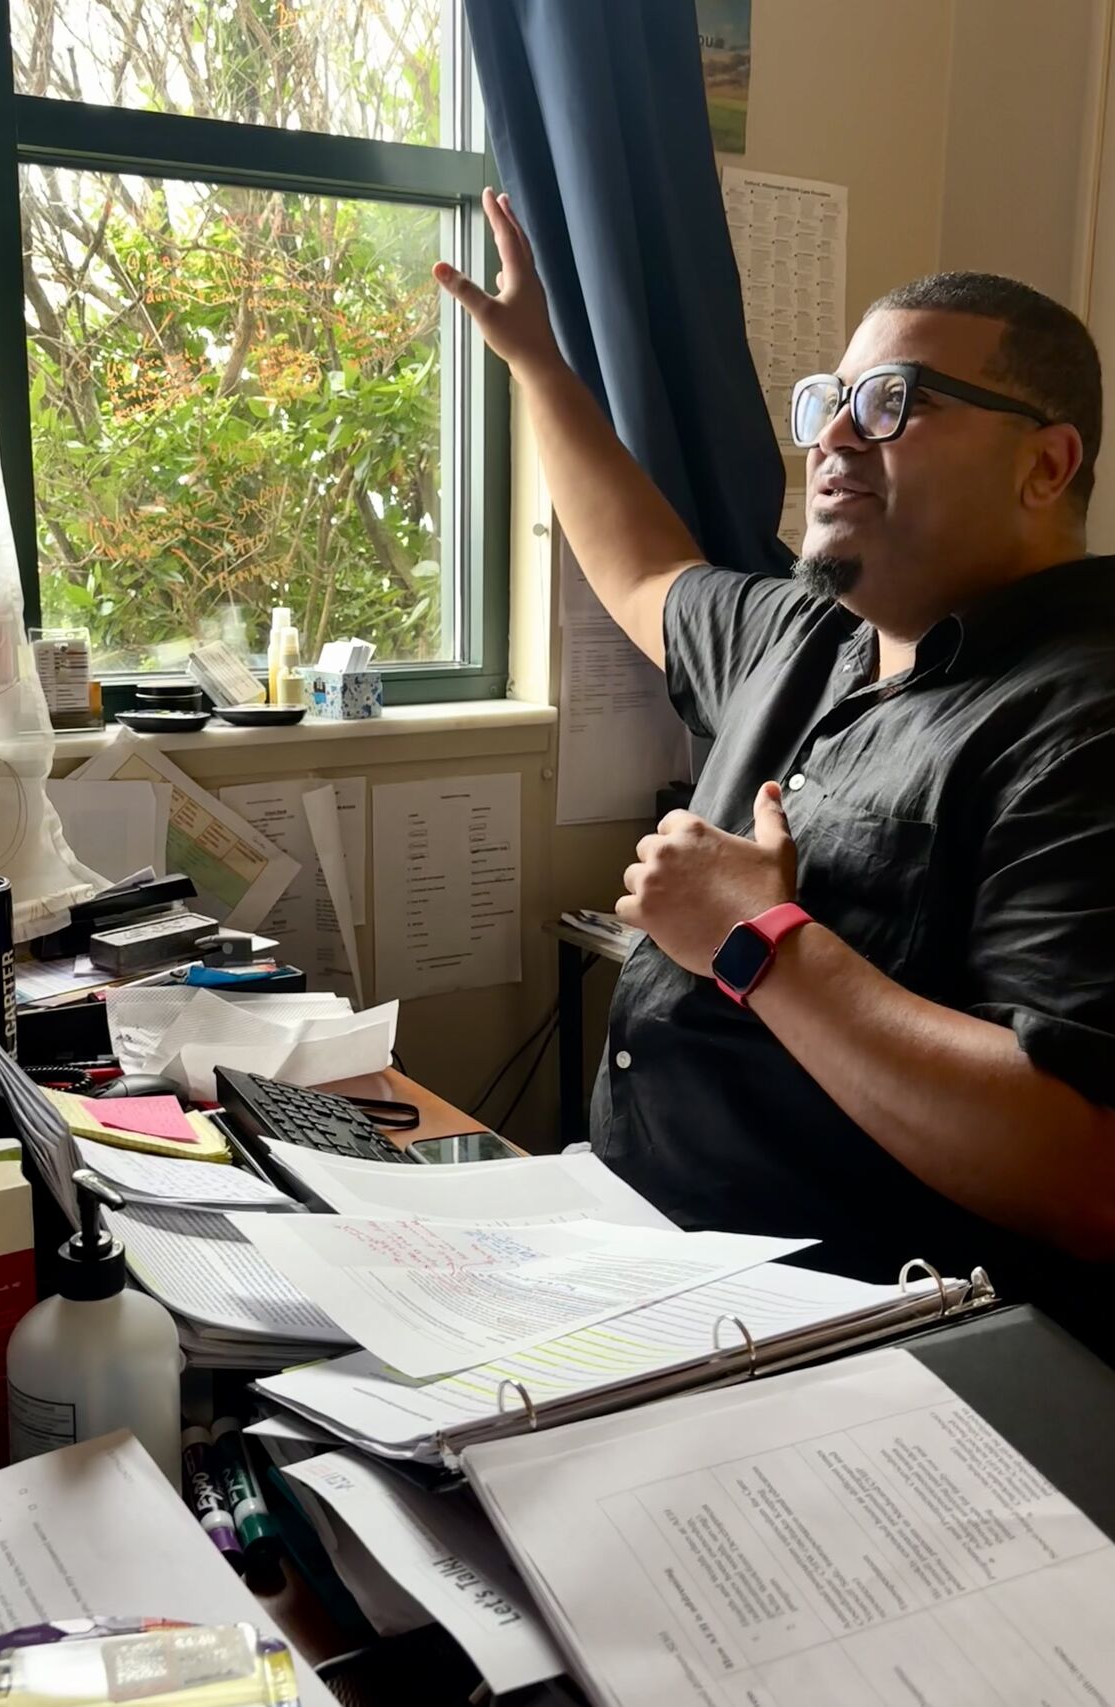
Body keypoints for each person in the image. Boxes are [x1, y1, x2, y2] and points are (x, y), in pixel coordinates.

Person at [436, 189, 1115, 1344]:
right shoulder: (805, 636)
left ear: (1044, 465)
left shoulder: (1082, 722)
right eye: (830, 402)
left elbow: (1084, 1169)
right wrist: (536, 365)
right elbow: (638, 565)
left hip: (852, 1344)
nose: (833, 437)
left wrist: (761, 946)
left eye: (894, 403)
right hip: (628, 1253)